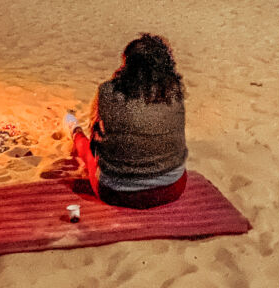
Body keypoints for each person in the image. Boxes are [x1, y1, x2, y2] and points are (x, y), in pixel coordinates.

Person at [65, 33, 188, 209]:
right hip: (171, 189)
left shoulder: (108, 92)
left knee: (87, 150)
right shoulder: (174, 93)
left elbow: (97, 140)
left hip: (116, 193)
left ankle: (73, 129)